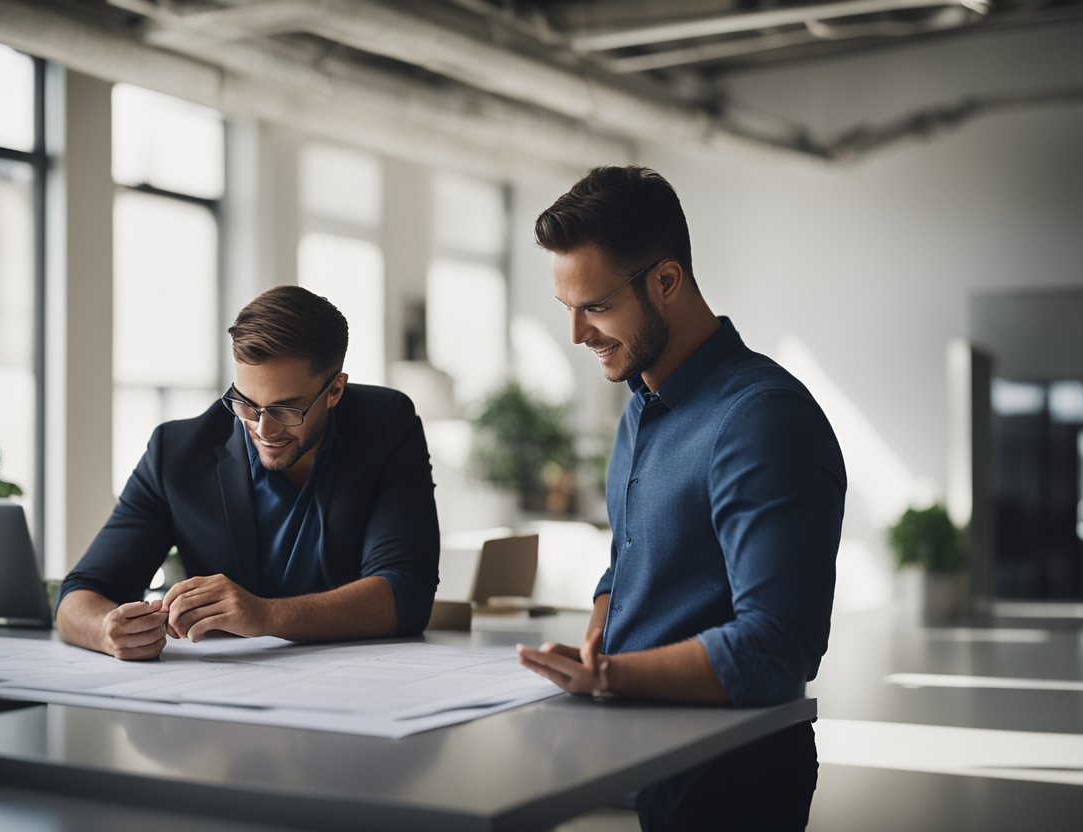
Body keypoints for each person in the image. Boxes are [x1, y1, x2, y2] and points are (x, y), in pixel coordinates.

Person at [517, 166, 846, 830]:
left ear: (666, 281)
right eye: (568, 309)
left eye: (597, 306)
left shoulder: (762, 418)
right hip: (645, 762)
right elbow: (629, 561)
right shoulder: (639, 406)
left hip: (732, 779)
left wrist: (607, 675)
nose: (577, 333)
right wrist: (597, 635)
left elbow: (779, 645)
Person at [57, 286, 440, 661]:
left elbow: (406, 592)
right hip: (224, 701)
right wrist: (107, 631)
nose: (263, 428)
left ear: (335, 391)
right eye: (246, 404)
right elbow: (79, 595)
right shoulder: (175, 453)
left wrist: (264, 615)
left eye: (287, 410)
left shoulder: (387, 425)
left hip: (368, 687)